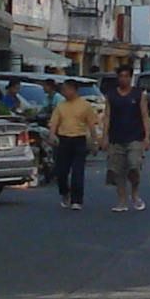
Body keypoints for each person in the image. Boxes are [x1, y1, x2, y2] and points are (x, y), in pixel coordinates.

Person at [45, 78, 103, 210]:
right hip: (64, 140)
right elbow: (54, 122)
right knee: (61, 171)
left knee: (78, 173)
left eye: (65, 89)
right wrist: (51, 136)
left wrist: (95, 142)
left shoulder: (85, 105)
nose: (63, 92)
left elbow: (91, 125)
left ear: (73, 90)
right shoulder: (61, 105)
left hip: (79, 140)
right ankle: (65, 192)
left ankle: (77, 200)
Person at [102, 68, 150, 212]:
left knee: (134, 166)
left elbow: (144, 115)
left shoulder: (138, 94)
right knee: (117, 171)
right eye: (121, 76)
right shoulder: (111, 95)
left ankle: (135, 193)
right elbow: (107, 116)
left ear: (131, 78)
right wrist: (104, 137)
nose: (123, 79)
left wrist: (147, 136)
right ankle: (122, 200)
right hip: (116, 137)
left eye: (126, 76)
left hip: (134, 136)